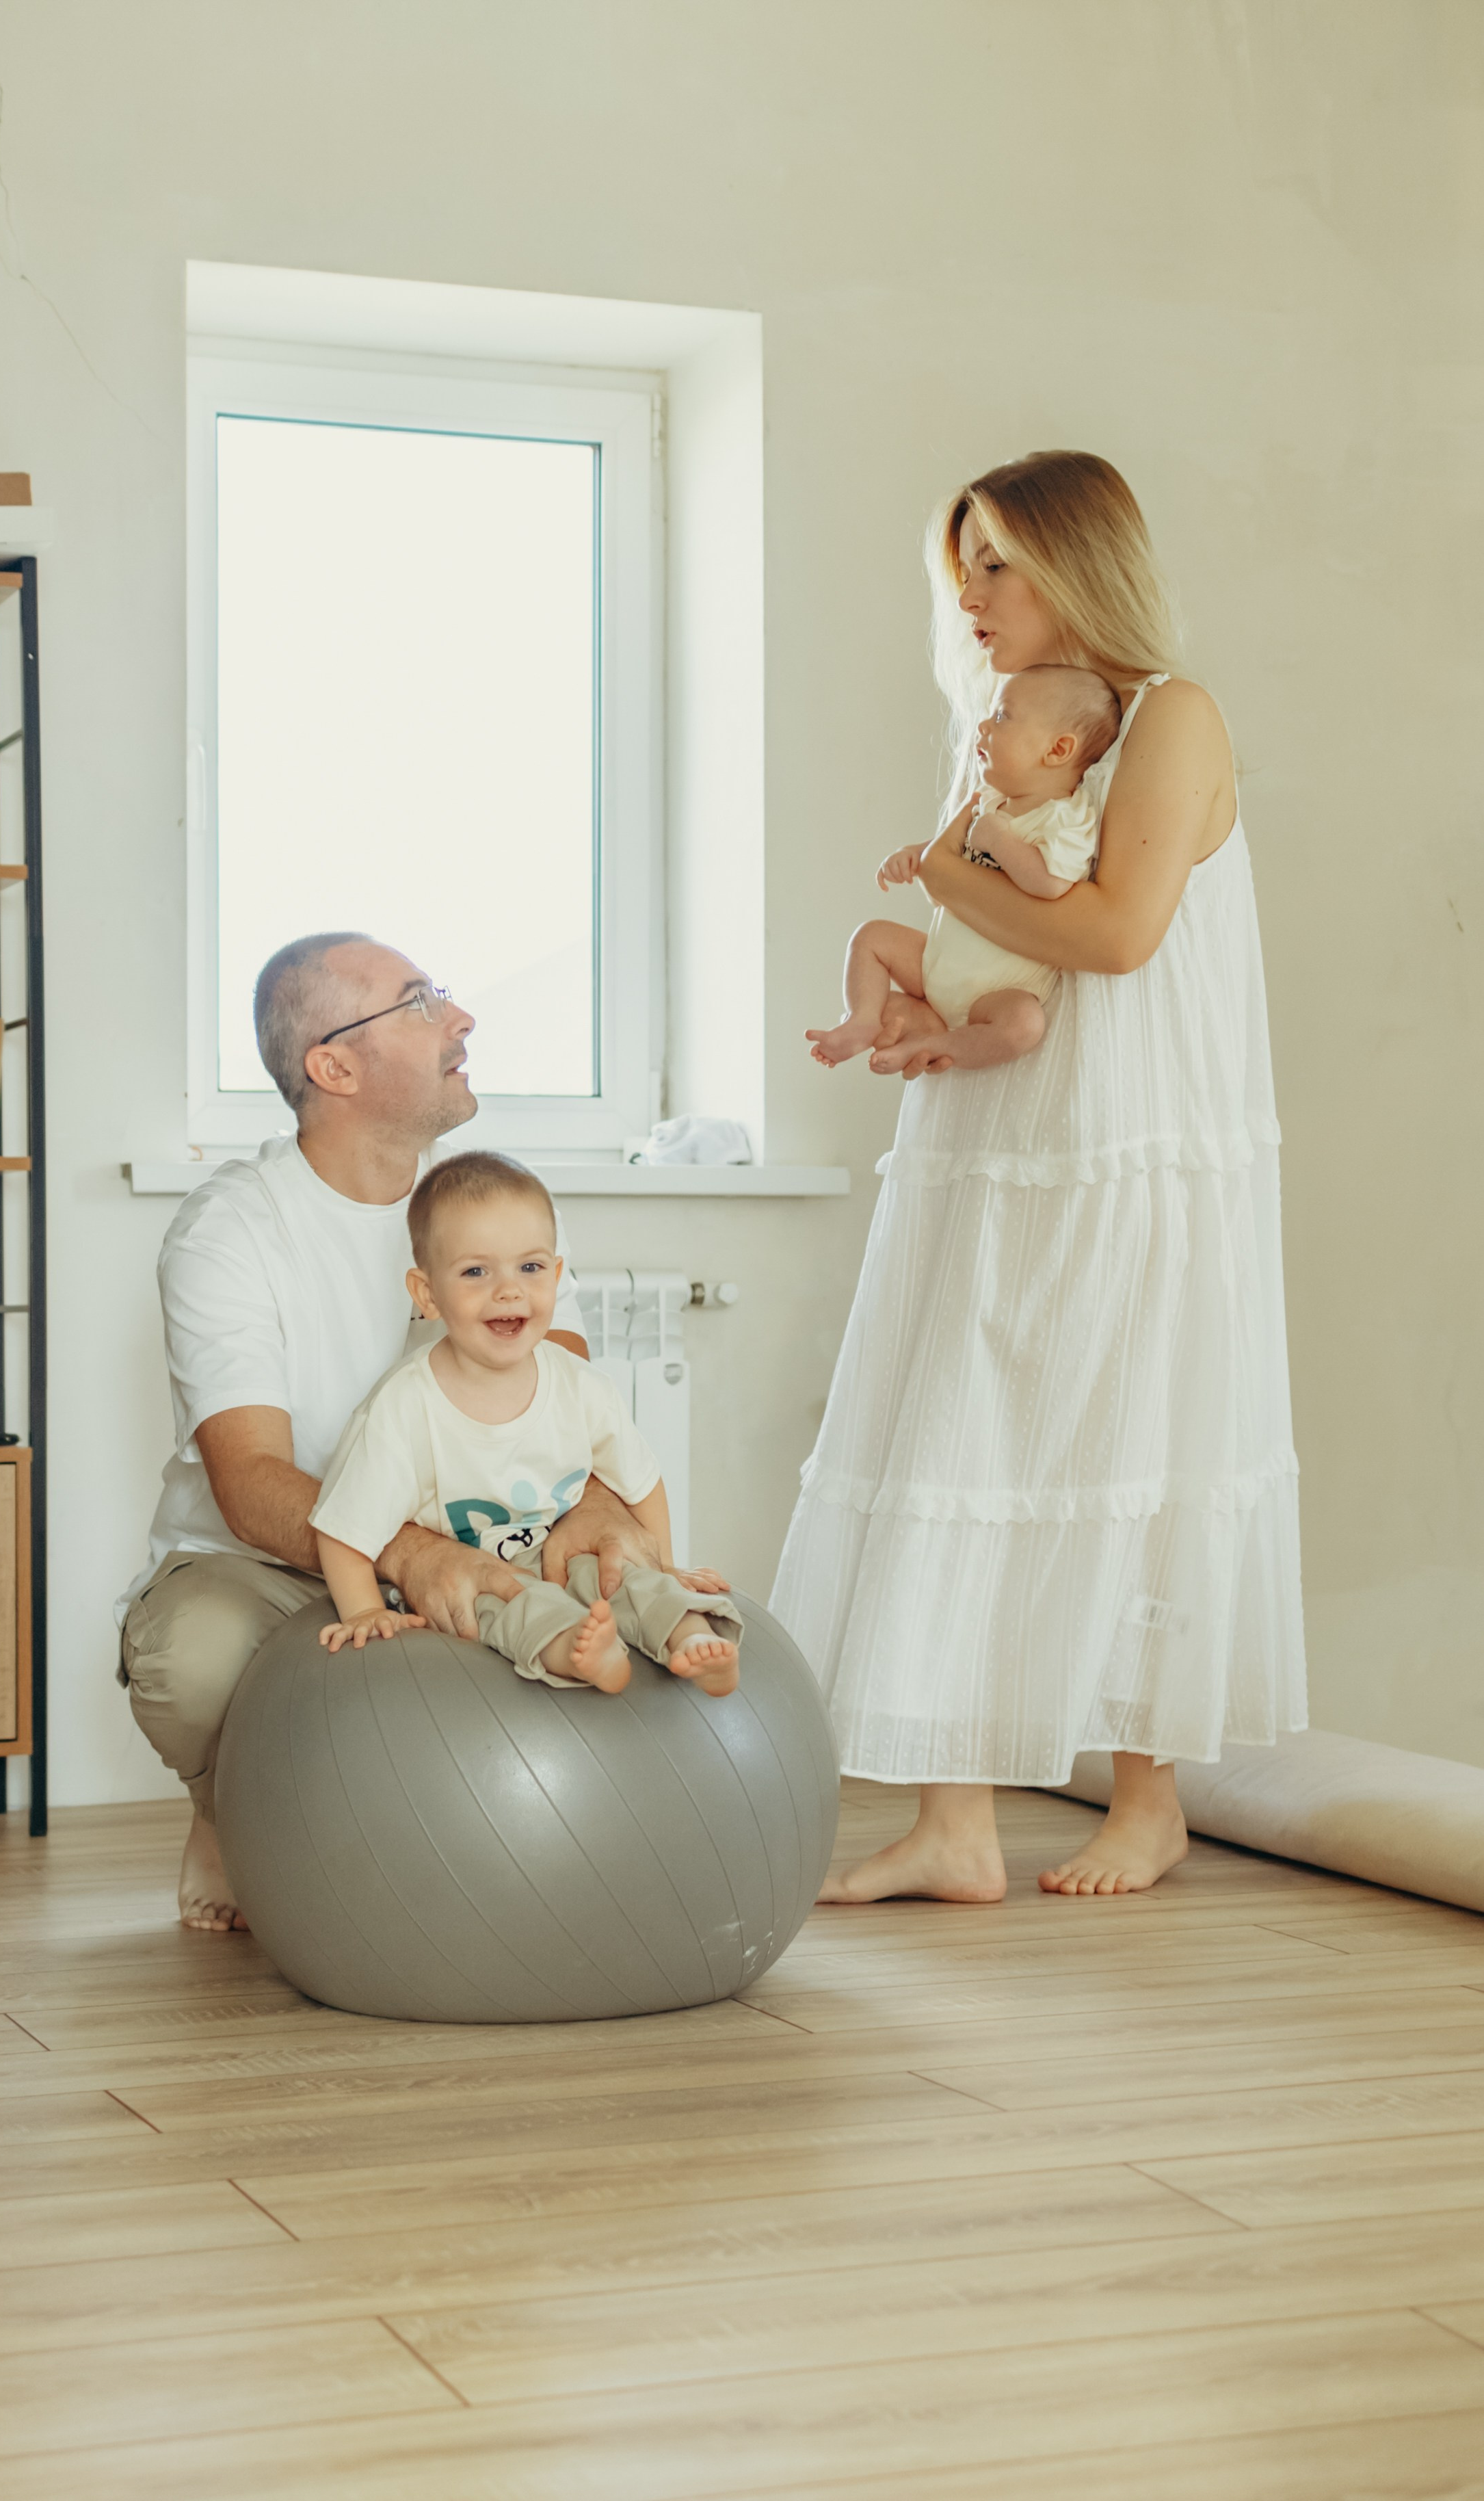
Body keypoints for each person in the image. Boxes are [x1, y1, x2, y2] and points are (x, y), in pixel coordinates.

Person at [772, 449, 1306, 1902]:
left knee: (1139, 1443)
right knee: (960, 1431)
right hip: (998, 1130)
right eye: (964, 563)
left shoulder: (1168, 718)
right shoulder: (999, 730)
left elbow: (1121, 934)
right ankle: (956, 1822)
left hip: (1136, 1141)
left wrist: (942, 879)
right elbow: (1006, 938)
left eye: (997, 559)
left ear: (1079, 561)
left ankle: (1151, 1798)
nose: (970, 591)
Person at [118, 932, 668, 1930]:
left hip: (474, 1528)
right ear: (333, 1065)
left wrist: (594, 1506)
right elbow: (248, 1481)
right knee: (191, 1660)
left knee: (616, 1601)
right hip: (264, 1559)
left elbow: (568, 1394)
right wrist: (409, 1555)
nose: (460, 1020)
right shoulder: (231, 1231)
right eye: (421, 1002)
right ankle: (226, 1808)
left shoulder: (479, 1201)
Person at [311, 1149, 743, 1696]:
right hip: (478, 1570)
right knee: (508, 1606)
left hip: (564, 1550)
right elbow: (345, 1528)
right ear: (427, 1295)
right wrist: (365, 1611)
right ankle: (575, 1653)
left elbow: (641, 1481)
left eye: (530, 1268)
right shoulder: (403, 1406)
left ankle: (689, 1635)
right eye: (475, 1272)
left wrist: (665, 1566)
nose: (509, 1289)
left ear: (556, 1277)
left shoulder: (580, 1386)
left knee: (624, 1577)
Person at [806, 664, 1120, 1071]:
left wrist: (999, 841)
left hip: (998, 991)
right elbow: (950, 859)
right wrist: (917, 855)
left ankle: (939, 1043)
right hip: (938, 959)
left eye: (1003, 715)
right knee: (870, 938)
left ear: (1057, 750)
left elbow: (1051, 883)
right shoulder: (987, 801)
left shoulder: (1066, 818)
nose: (984, 726)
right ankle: (863, 1019)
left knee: (1025, 1024)